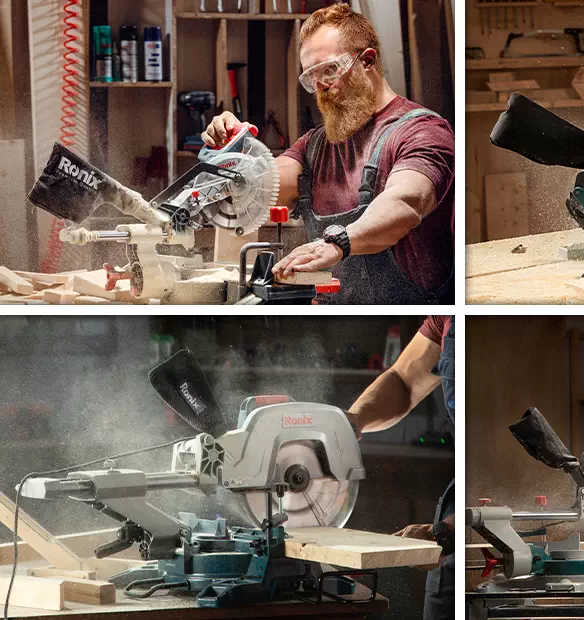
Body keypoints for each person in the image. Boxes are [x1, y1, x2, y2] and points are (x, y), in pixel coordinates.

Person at [203, 4, 454, 304]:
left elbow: (405, 203)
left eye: (329, 70)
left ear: (368, 60)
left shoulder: (422, 131)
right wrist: (236, 156)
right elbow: (264, 184)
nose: (320, 86)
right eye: (311, 77)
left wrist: (340, 242)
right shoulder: (314, 146)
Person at [347, 316, 454, 620]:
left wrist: (448, 532)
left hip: (485, 518)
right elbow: (404, 381)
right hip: (452, 523)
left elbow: (506, 447)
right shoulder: (446, 317)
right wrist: (351, 421)